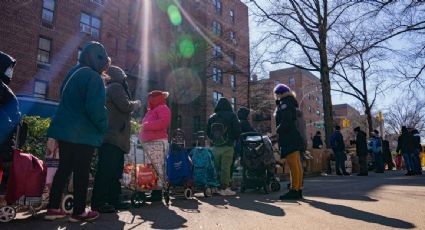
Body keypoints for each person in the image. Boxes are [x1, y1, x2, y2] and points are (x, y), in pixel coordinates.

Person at [45, 41, 110, 222]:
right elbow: (96, 108)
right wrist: (104, 126)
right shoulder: (93, 78)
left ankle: (52, 208)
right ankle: (79, 211)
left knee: (64, 168)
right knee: (81, 171)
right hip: (83, 133)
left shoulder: (73, 72)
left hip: (64, 130)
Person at [91, 66, 141, 213]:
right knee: (107, 171)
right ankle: (99, 203)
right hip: (113, 138)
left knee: (114, 172)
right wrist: (137, 103)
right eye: (125, 78)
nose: (126, 81)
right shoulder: (116, 87)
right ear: (120, 77)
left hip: (114, 137)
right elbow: (125, 106)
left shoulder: (111, 87)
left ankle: (113, 200)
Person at [273, 84, 304, 200]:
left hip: (289, 137)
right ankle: (298, 188)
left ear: (279, 93)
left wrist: (278, 129)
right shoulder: (291, 101)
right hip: (293, 136)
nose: (275, 96)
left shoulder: (285, 103)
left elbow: (286, 121)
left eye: (276, 94)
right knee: (297, 164)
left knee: (293, 165)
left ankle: (294, 190)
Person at [139, 90, 171, 201]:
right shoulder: (152, 110)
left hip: (157, 142)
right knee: (150, 167)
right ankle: (152, 190)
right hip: (149, 142)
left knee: (157, 167)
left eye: (150, 99)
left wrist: (145, 126)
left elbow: (164, 122)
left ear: (155, 98)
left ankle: (157, 192)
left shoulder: (162, 108)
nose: (149, 101)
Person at [207, 98, 241, 196]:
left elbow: (208, 132)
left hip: (216, 147)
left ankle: (215, 187)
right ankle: (224, 188)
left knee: (216, 167)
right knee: (225, 167)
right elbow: (237, 130)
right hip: (228, 146)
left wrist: (214, 140)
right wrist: (233, 139)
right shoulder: (232, 116)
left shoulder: (212, 117)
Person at [0, 51, 20, 193]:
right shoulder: (1, 88)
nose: (11, 71)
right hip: (4, 143)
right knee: (6, 174)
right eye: (9, 68)